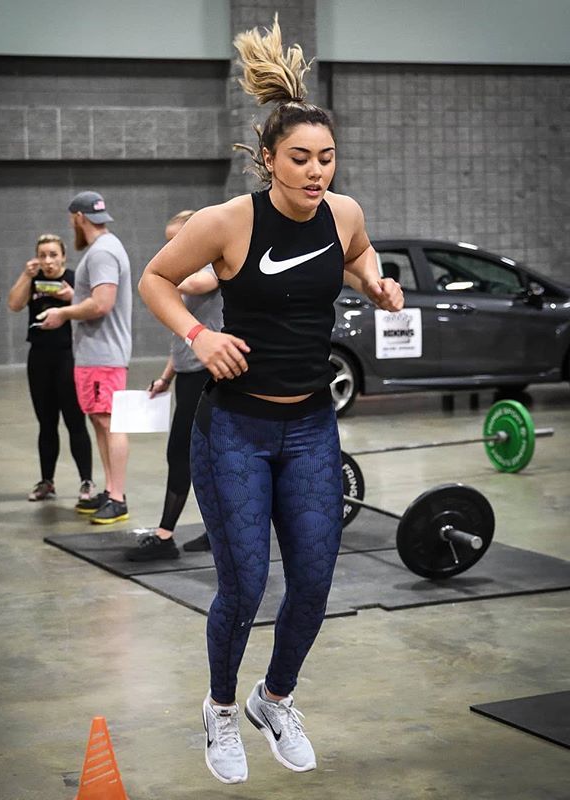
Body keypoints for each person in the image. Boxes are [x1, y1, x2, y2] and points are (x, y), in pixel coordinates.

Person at [138, 17, 404, 785]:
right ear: (268, 160)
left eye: (326, 157)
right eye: (300, 158)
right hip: (235, 429)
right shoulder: (229, 223)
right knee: (246, 583)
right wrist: (197, 333)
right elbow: (157, 279)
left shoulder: (343, 213)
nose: (316, 171)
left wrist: (376, 281)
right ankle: (220, 709)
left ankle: (272, 698)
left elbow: (355, 254)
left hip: (312, 425)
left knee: (316, 581)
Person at [125, 210, 222, 562]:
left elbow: (194, 284)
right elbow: (182, 334)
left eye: (177, 242)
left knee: (182, 452)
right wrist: (167, 377)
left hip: (209, 376)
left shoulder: (213, 268)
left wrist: (159, 275)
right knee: (202, 458)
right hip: (188, 374)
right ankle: (219, 533)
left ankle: (165, 535)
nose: (171, 249)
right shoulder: (186, 272)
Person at [38, 191, 132, 525]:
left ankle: (118, 497)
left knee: (109, 422)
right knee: (100, 421)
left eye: (71, 220)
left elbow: (102, 303)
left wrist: (63, 313)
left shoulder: (102, 252)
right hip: (96, 354)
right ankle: (110, 490)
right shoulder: (104, 249)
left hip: (102, 355)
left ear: (78, 217)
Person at [8, 233, 94, 503]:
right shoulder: (32, 278)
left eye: (53, 254)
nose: (48, 260)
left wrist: (73, 297)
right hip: (39, 356)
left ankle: (86, 482)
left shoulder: (73, 278)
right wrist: (25, 275)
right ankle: (47, 481)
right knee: (46, 423)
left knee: (74, 421)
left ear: (63, 256)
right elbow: (14, 304)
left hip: (67, 356)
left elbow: (92, 309)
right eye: (43, 255)